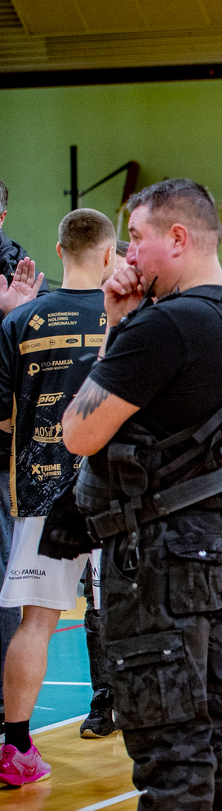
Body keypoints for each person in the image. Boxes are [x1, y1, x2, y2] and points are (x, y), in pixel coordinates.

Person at [61, 179, 222, 811]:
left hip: (155, 554)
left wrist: (118, 328)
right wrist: (125, 319)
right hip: (208, 542)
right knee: (214, 714)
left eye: (138, 238)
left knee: (165, 727)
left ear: (178, 239)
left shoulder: (167, 326)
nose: (127, 255)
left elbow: (79, 431)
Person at [0, 209, 114, 785]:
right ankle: (168, 740)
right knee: (144, 616)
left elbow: (2, 418)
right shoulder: (129, 317)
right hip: (118, 494)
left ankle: (16, 748)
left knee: (36, 623)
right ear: (111, 254)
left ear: (59, 250)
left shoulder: (19, 321)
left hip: (42, 491)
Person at [0, 178, 44, 727]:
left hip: (5, 450)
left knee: (6, 575)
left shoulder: (19, 271)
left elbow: (27, 368)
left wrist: (10, 315)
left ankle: (5, 711)